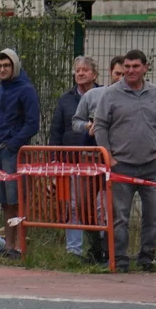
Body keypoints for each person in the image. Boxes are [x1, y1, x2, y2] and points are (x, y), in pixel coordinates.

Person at [93, 49, 156, 273]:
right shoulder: (110, 94)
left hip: (151, 166)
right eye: (127, 67)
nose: (130, 71)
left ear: (145, 67)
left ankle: (147, 257)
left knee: (154, 215)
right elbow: (100, 125)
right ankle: (119, 259)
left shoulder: (155, 93)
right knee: (120, 217)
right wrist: (109, 157)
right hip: (121, 166)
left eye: (136, 66)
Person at [0, 48, 39, 257]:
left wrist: (13, 144)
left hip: (14, 152)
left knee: (17, 200)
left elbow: (32, 123)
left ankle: (19, 246)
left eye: (6, 65)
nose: (2, 69)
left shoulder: (26, 90)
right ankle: (8, 246)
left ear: (15, 66)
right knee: (4, 202)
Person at [50, 56, 101, 260]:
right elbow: (56, 131)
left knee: (98, 206)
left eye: (85, 70)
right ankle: (74, 251)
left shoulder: (104, 95)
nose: (80, 73)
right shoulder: (65, 100)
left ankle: (100, 247)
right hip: (71, 161)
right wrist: (54, 160)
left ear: (94, 74)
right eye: (77, 70)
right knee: (72, 205)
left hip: (98, 161)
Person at [71, 56, 124, 139]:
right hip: (97, 144)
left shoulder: (137, 98)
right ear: (110, 72)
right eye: (117, 74)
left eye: (124, 75)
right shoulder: (92, 95)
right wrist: (88, 125)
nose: (121, 78)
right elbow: (76, 123)